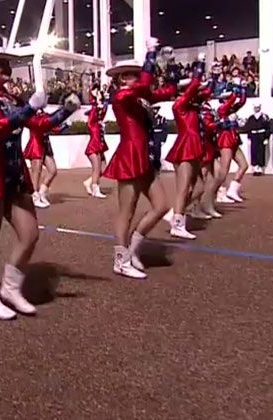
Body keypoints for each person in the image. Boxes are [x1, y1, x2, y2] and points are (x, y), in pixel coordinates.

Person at [0, 47, 78, 320]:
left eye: (8, 65)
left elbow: (40, 124)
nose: (7, 70)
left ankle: (10, 288)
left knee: (30, 233)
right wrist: (29, 108)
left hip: (12, 172)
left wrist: (65, 112)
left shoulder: (10, 97)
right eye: (0, 65)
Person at [103, 38, 176, 280]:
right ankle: (120, 260)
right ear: (122, 78)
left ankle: (132, 250)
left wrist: (170, 63)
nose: (138, 77)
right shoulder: (121, 96)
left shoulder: (139, 96)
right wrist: (150, 55)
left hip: (143, 155)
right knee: (127, 210)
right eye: (132, 75)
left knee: (161, 206)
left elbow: (169, 91)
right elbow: (146, 86)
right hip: (130, 154)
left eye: (138, 74)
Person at [163, 56, 205, 239]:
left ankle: (175, 213)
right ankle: (178, 223)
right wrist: (200, 67)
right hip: (186, 145)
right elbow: (195, 86)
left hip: (193, 144)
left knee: (199, 187)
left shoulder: (192, 105)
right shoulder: (179, 104)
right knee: (184, 188)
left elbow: (205, 90)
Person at [24, 107, 71, 208]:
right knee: (36, 172)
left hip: (45, 145)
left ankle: (42, 192)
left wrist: (64, 125)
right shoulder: (31, 115)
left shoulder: (44, 114)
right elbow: (40, 126)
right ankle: (34, 197)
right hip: (35, 145)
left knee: (53, 170)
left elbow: (53, 128)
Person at [210, 86, 248, 204]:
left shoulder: (230, 109)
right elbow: (232, 100)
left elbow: (242, 101)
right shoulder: (221, 109)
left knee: (244, 165)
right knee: (224, 169)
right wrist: (233, 94)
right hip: (225, 139)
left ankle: (232, 190)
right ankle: (218, 192)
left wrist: (242, 88)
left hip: (233, 138)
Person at [82, 84, 109, 198]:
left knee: (103, 167)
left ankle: (89, 182)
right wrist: (95, 102)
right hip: (94, 145)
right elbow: (92, 119)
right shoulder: (93, 113)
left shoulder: (99, 115)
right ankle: (95, 188)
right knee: (97, 168)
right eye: (95, 91)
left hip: (100, 144)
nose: (98, 92)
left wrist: (106, 100)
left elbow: (103, 111)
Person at [245, 103, 271, 175]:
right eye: (255, 107)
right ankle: (255, 168)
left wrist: (266, 137)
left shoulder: (264, 117)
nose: (256, 109)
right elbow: (248, 128)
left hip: (261, 136)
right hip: (254, 136)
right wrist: (249, 137)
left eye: (258, 107)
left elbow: (268, 128)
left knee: (261, 152)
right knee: (254, 152)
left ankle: (260, 168)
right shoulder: (251, 117)